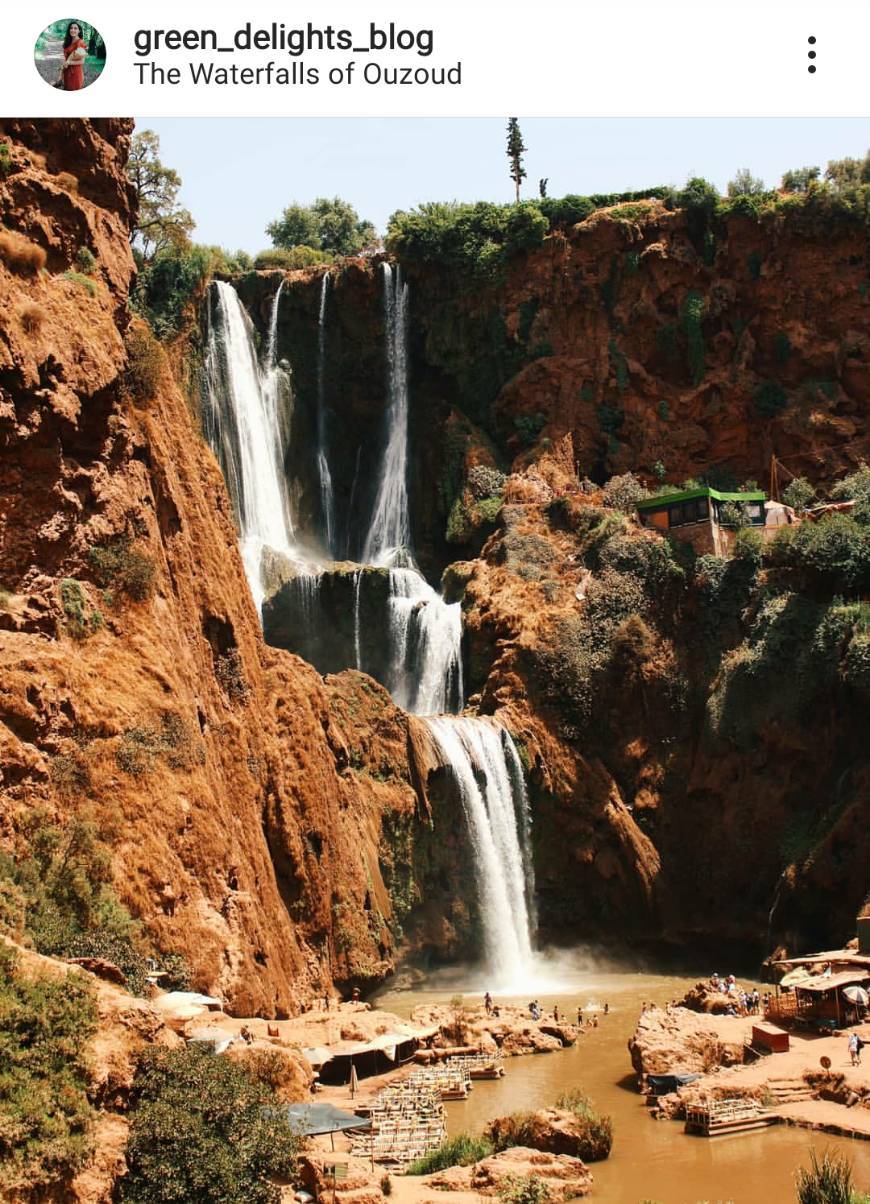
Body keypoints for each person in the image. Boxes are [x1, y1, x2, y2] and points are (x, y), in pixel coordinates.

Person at [61, 23, 88, 91]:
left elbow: (82, 61)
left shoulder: (80, 43)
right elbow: (66, 57)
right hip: (66, 71)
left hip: (75, 74)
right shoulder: (68, 41)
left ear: (79, 31)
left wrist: (68, 62)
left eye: (75, 28)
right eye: (71, 28)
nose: (73, 30)